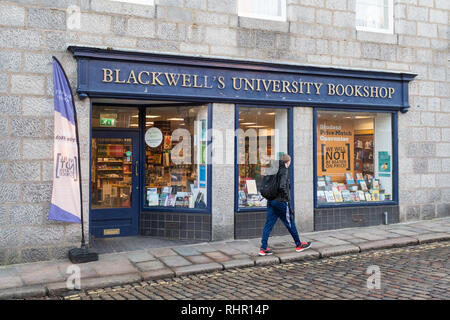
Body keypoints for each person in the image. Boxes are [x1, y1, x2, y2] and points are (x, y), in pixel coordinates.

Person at [259, 153, 311, 256]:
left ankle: (263, 248)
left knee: (268, 225)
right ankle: (299, 244)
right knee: (290, 223)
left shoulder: (273, 168)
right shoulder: (284, 170)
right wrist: (286, 198)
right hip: (280, 202)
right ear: (288, 162)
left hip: (271, 201)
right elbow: (282, 186)